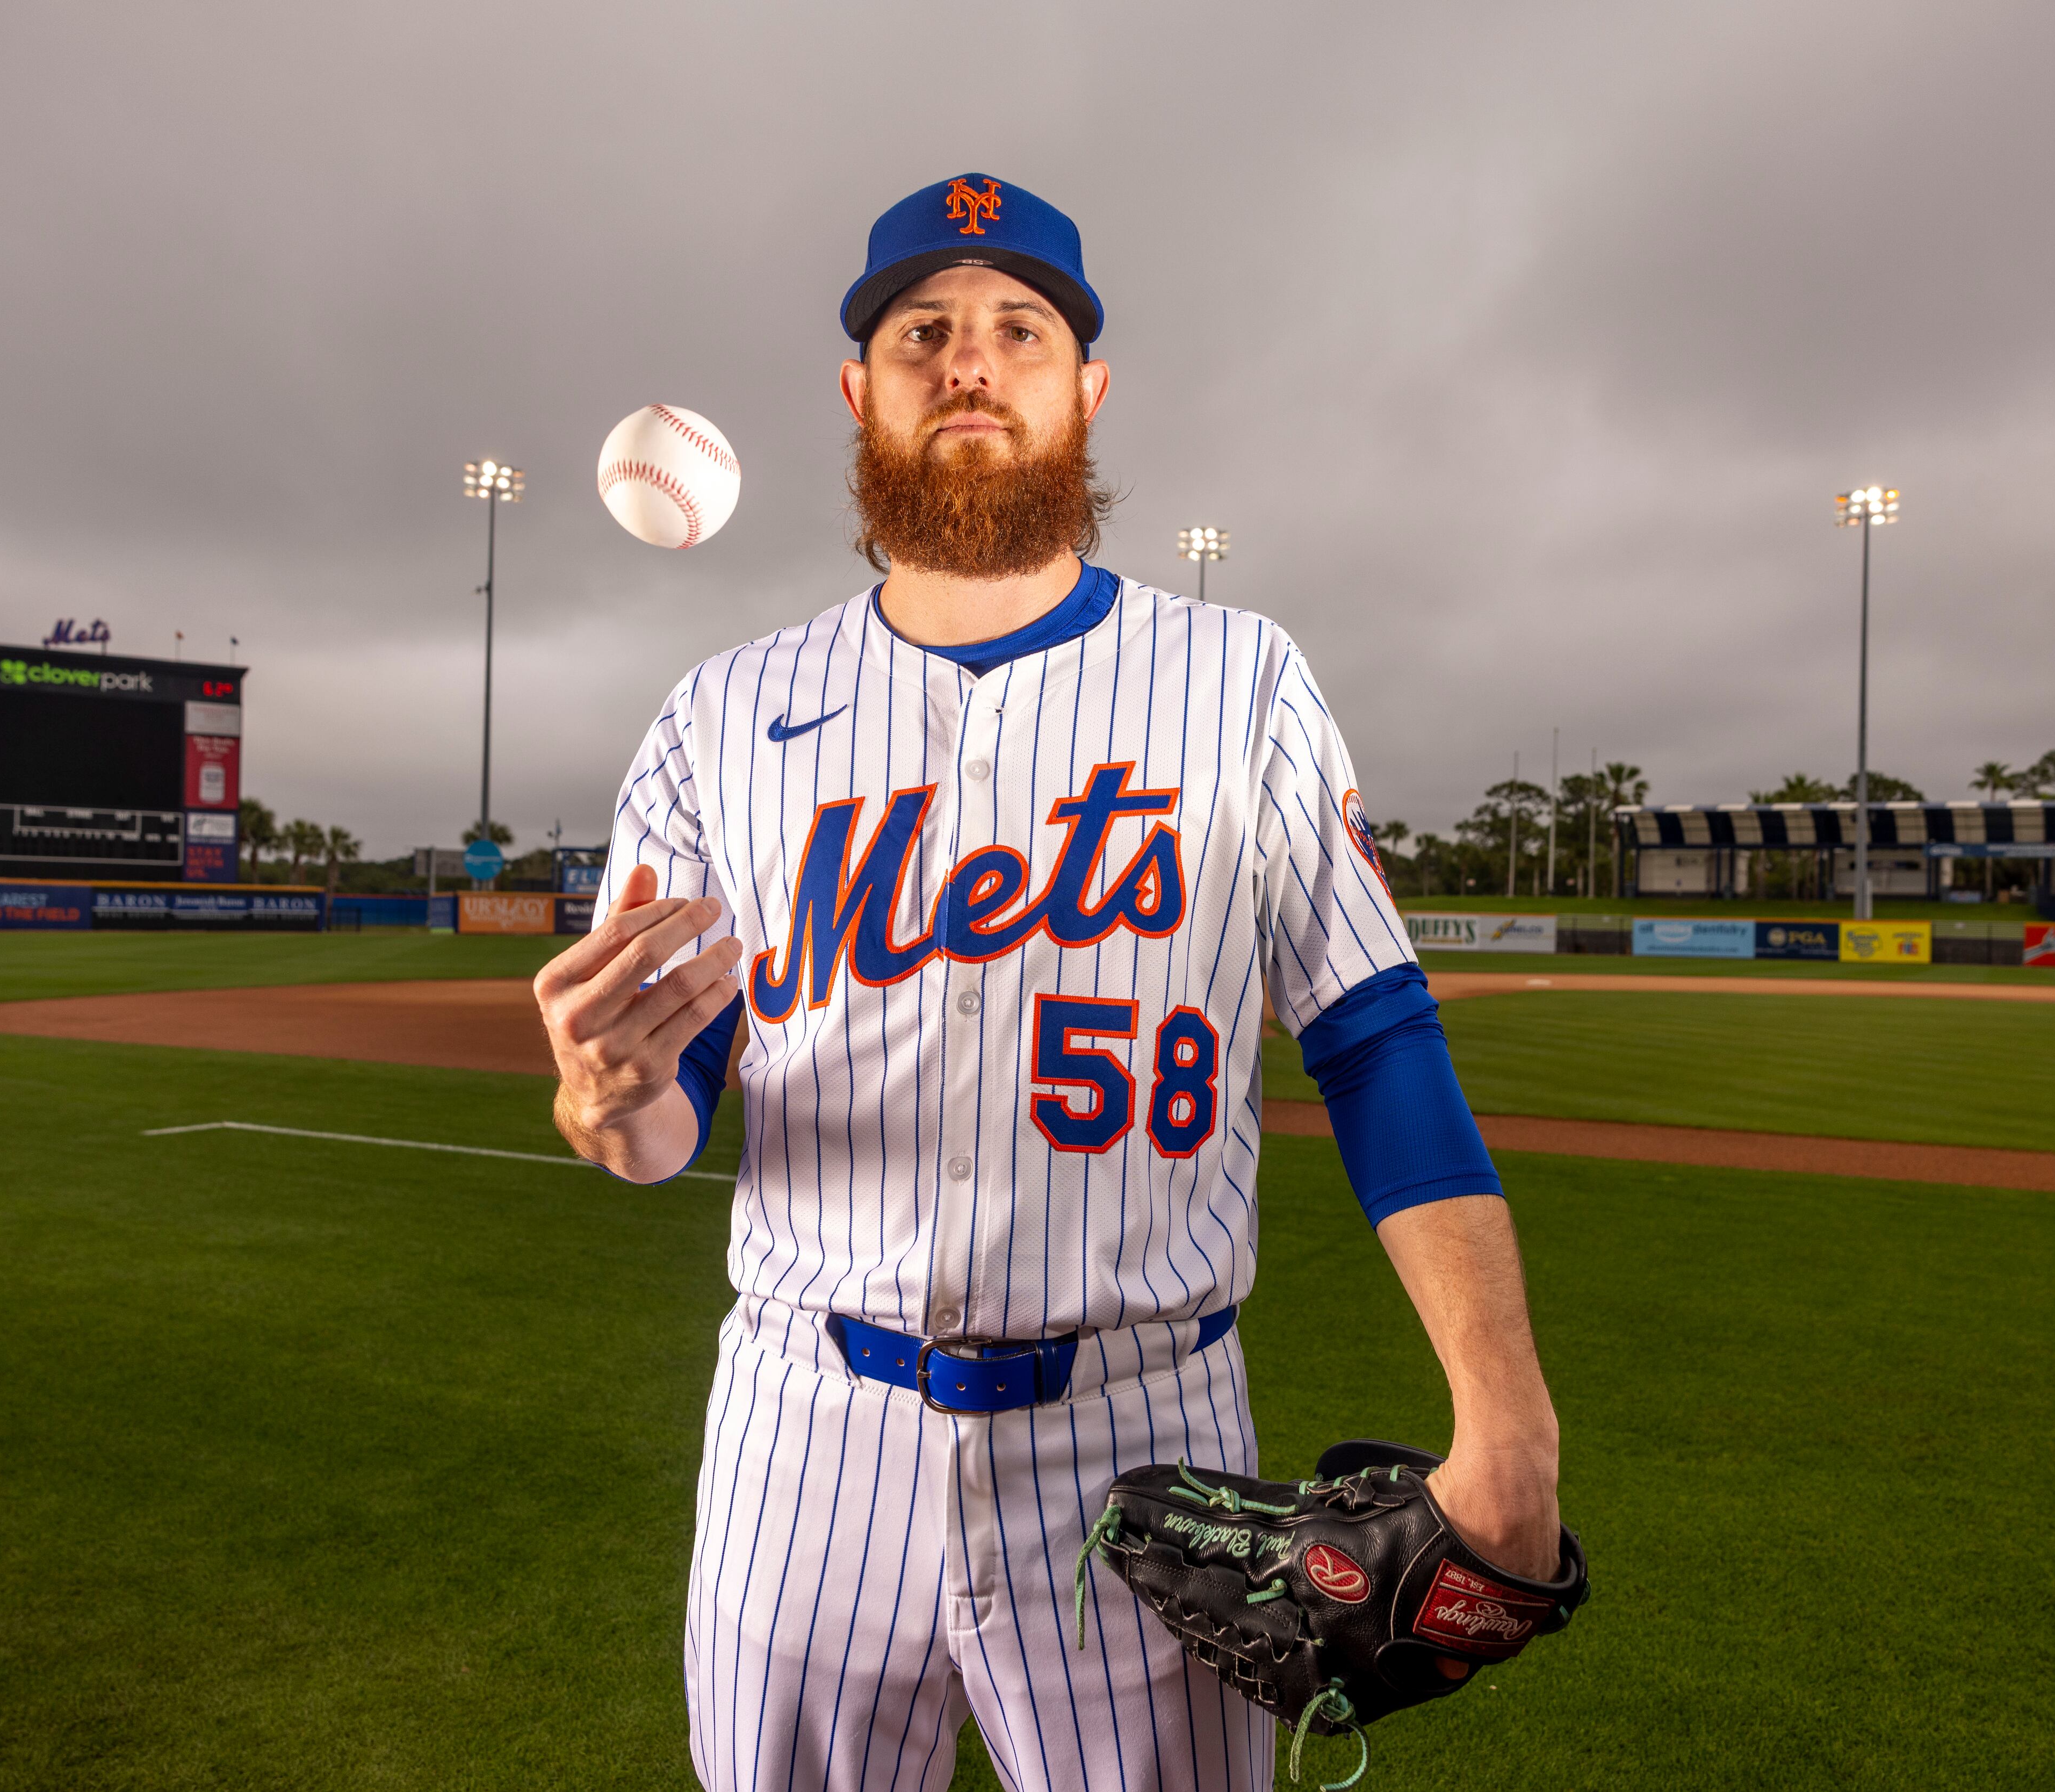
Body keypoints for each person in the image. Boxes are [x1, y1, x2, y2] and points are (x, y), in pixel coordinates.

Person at [533, 172, 1563, 1792]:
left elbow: (1376, 1041)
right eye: (921, 331)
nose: (968, 361)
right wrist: (610, 1102)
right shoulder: (723, 716)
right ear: (860, 389)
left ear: (1085, 391)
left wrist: (1510, 1419)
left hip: (1140, 1443)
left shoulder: (1243, 685)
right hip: (803, 1434)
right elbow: (665, 1117)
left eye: (1020, 328)